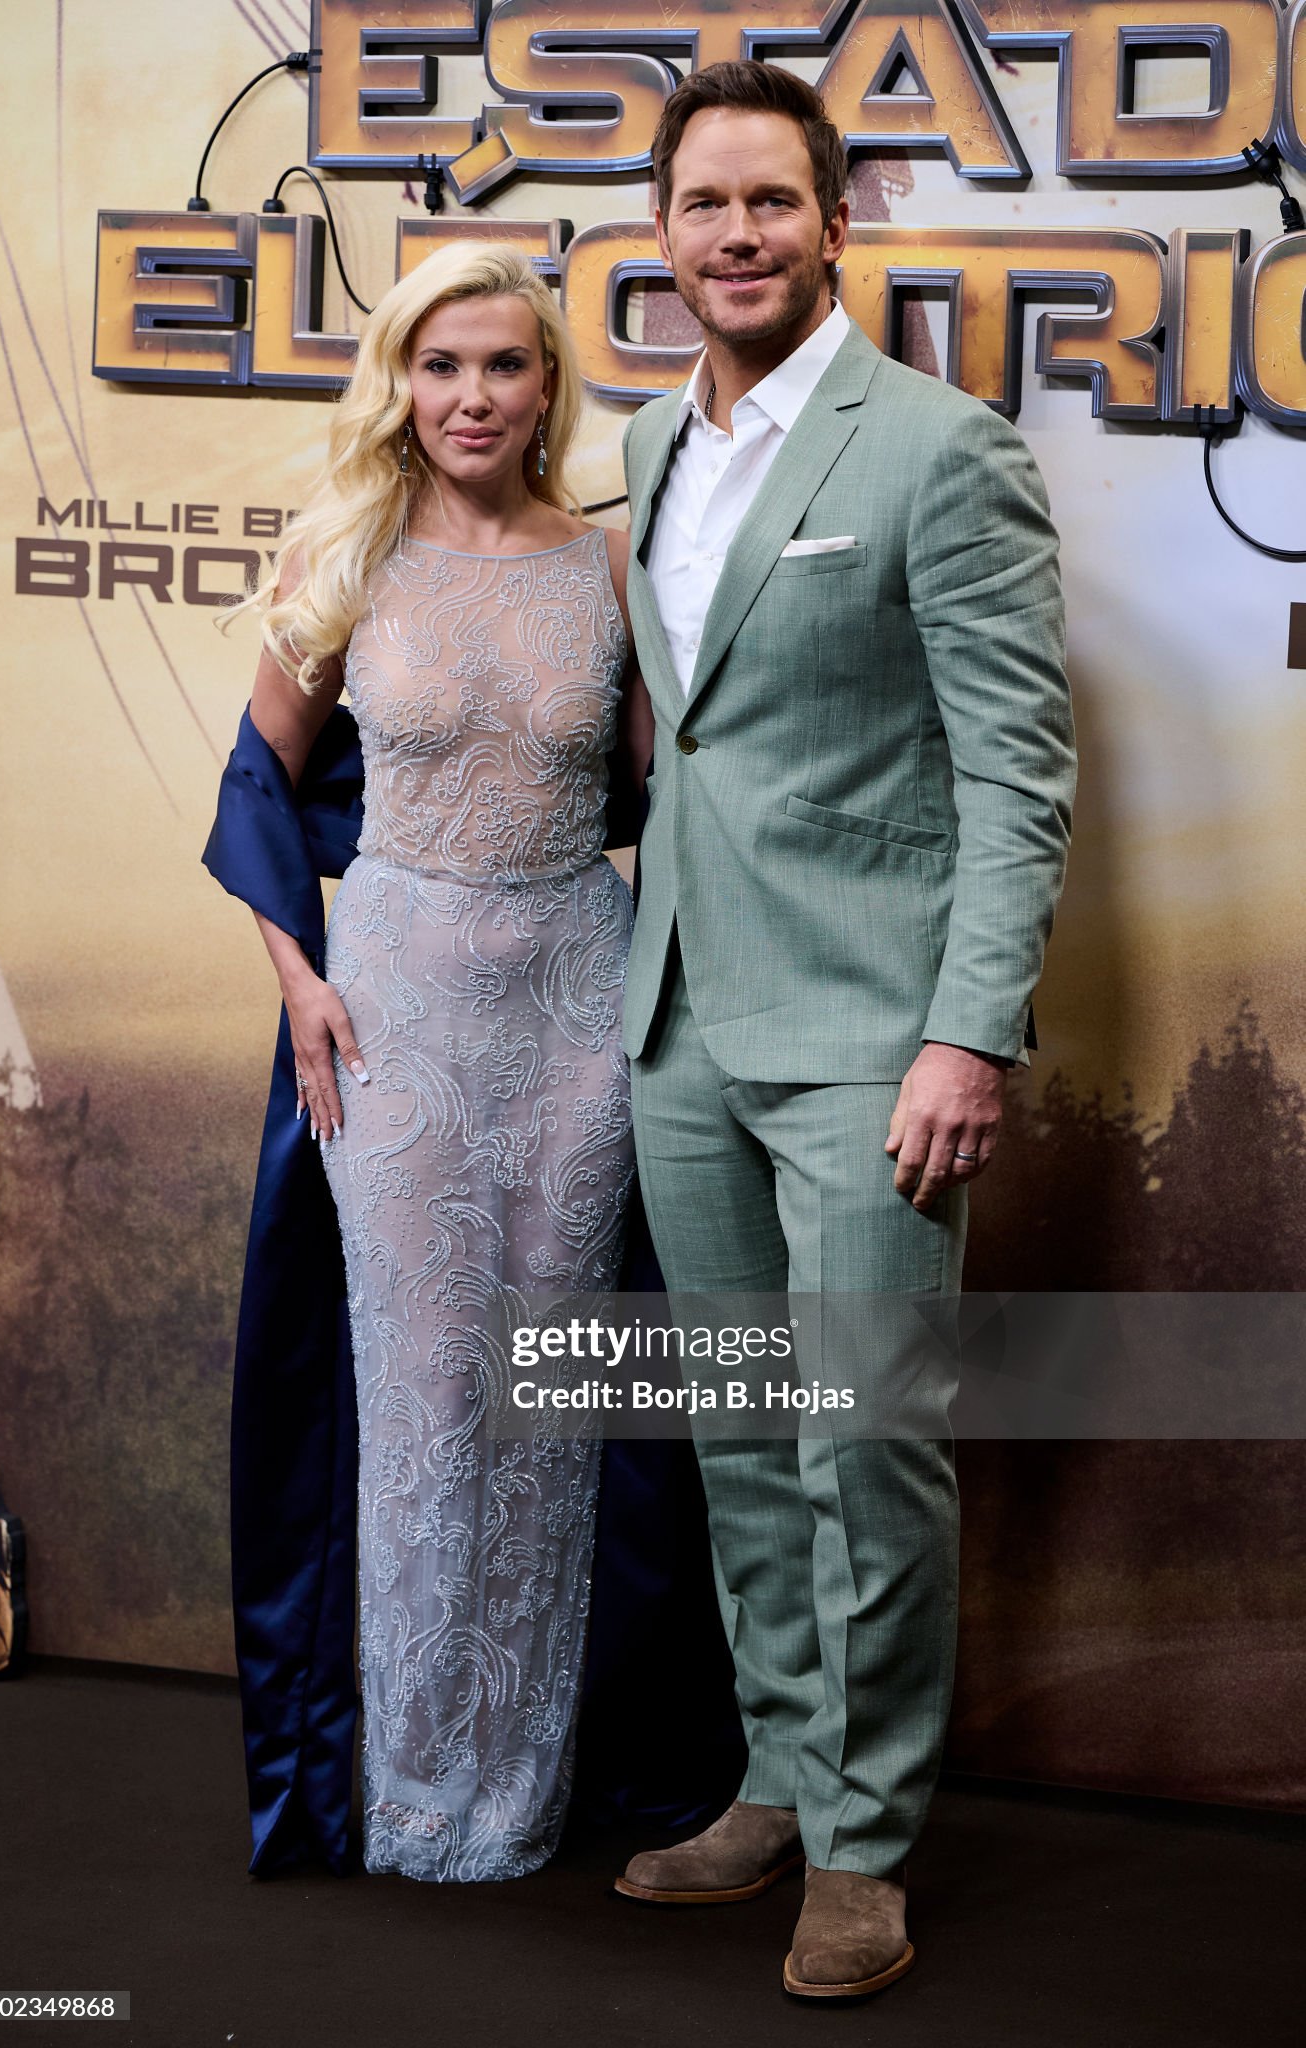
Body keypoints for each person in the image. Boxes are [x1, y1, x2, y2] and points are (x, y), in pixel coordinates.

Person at [613, 62, 1077, 1996]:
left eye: (769, 203)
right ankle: (780, 1780)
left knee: (862, 1442)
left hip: (876, 1036)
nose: (735, 235)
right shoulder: (645, 440)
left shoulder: (940, 450)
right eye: (702, 204)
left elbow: (1017, 773)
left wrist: (969, 1036)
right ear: (660, 234)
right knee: (740, 1438)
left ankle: (866, 1847)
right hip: (678, 1025)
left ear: (831, 222)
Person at [223, 241, 654, 1882]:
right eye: (440, 364)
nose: (471, 397)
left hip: (577, 1004)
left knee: (546, 1400)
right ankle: (404, 1795)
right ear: (400, 384)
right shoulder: (342, 554)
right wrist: (298, 977)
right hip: (391, 1001)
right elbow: (256, 783)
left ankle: (523, 1794)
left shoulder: (607, 566)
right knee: (417, 1398)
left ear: (548, 388)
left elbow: (669, 799)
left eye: (504, 365)